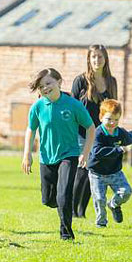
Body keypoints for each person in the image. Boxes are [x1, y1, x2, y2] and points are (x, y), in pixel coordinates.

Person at [21, 68, 95, 240]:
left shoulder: (73, 105)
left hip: (68, 155)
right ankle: (60, 203)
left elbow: (91, 128)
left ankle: (66, 233)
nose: (45, 88)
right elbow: (31, 130)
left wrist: (85, 152)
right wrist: (27, 154)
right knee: (48, 200)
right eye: (41, 86)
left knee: (64, 194)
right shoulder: (38, 107)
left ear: (59, 82)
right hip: (46, 157)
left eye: (48, 83)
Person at [71, 44, 118, 218]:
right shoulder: (80, 81)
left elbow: (113, 110)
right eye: (93, 57)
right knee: (82, 172)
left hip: (101, 137)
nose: (97, 60)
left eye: (100, 56)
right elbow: (71, 108)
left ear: (105, 59)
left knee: (95, 175)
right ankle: (73, 211)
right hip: (81, 134)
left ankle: (81, 212)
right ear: (89, 60)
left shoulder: (111, 82)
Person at [88, 99, 132, 227]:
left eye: (116, 120)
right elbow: (97, 152)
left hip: (115, 172)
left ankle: (114, 205)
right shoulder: (97, 133)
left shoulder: (120, 132)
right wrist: (118, 149)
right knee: (99, 199)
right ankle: (101, 223)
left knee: (126, 192)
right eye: (109, 119)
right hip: (97, 173)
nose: (112, 123)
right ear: (101, 117)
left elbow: (130, 137)